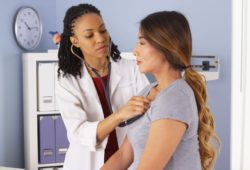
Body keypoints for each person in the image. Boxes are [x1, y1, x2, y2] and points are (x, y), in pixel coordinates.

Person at [102, 11, 220, 170]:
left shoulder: (175, 97)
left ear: (165, 46)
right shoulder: (147, 91)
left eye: (142, 43)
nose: (135, 50)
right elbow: (123, 155)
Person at [55, 3, 150, 170]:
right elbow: (79, 134)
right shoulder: (68, 81)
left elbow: (149, 114)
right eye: (89, 35)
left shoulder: (131, 68)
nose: (100, 38)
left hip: (128, 159)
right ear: (75, 41)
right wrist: (120, 114)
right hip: (87, 163)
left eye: (102, 30)